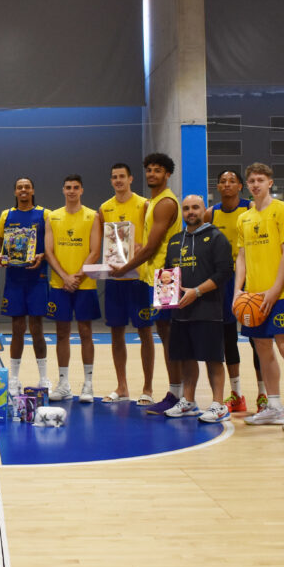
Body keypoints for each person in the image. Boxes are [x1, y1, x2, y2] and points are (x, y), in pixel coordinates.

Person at [235, 162, 284, 428]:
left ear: (270, 183)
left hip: (280, 293)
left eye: (260, 180)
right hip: (253, 296)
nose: (256, 185)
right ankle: (274, 407)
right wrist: (237, 291)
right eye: (252, 181)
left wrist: (275, 290)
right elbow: (241, 257)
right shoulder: (244, 218)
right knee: (262, 348)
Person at [110, 153, 182, 415]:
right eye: (149, 170)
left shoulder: (165, 203)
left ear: (167, 174)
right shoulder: (153, 202)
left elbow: (152, 247)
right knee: (164, 332)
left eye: (158, 170)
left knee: (169, 335)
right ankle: (177, 393)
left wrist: (124, 268)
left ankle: (177, 395)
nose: (152, 174)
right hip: (157, 275)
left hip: (166, 276)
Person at [162, 195, 233, 422]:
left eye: (195, 207)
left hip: (208, 310)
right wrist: (165, 290)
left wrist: (197, 291)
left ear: (204, 210)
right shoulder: (175, 240)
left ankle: (218, 405)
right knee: (186, 358)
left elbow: (224, 272)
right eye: (186, 208)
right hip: (181, 311)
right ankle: (189, 401)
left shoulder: (217, 238)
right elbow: (167, 273)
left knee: (213, 359)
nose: (190, 212)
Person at [203, 169, 265, 414]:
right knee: (228, 338)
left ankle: (263, 394)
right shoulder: (211, 213)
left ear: (240, 186)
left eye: (232, 181)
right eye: (223, 181)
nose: (227, 184)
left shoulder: (251, 208)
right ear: (218, 187)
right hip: (223, 280)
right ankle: (237, 394)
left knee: (256, 338)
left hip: (250, 278)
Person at [96, 162, 153, 404]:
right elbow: (101, 241)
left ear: (131, 179)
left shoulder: (144, 204)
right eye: (114, 177)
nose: (118, 180)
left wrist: (141, 247)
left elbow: (152, 237)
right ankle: (122, 387)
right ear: (111, 181)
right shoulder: (104, 208)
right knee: (116, 332)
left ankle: (148, 388)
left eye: (122, 176)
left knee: (145, 332)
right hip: (115, 278)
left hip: (138, 278)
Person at [44, 174, 101, 403]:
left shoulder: (92, 216)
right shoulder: (53, 217)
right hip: (60, 284)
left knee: (86, 332)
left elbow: (95, 250)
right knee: (61, 334)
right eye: (68, 187)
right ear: (63, 190)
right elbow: (49, 252)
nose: (71, 191)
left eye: (76, 187)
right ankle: (63, 384)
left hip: (85, 284)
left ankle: (88, 384)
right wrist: (65, 277)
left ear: (81, 190)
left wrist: (76, 276)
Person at [0, 177, 53, 393]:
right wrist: (2, 257)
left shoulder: (44, 214)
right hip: (15, 279)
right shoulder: (6, 215)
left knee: (37, 329)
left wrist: (42, 255)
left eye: (27, 187)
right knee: (17, 329)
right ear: (15, 191)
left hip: (37, 278)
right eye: (19, 187)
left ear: (33, 190)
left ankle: (44, 378)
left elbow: (50, 247)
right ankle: (14, 378)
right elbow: (2, 246)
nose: (23, 190)